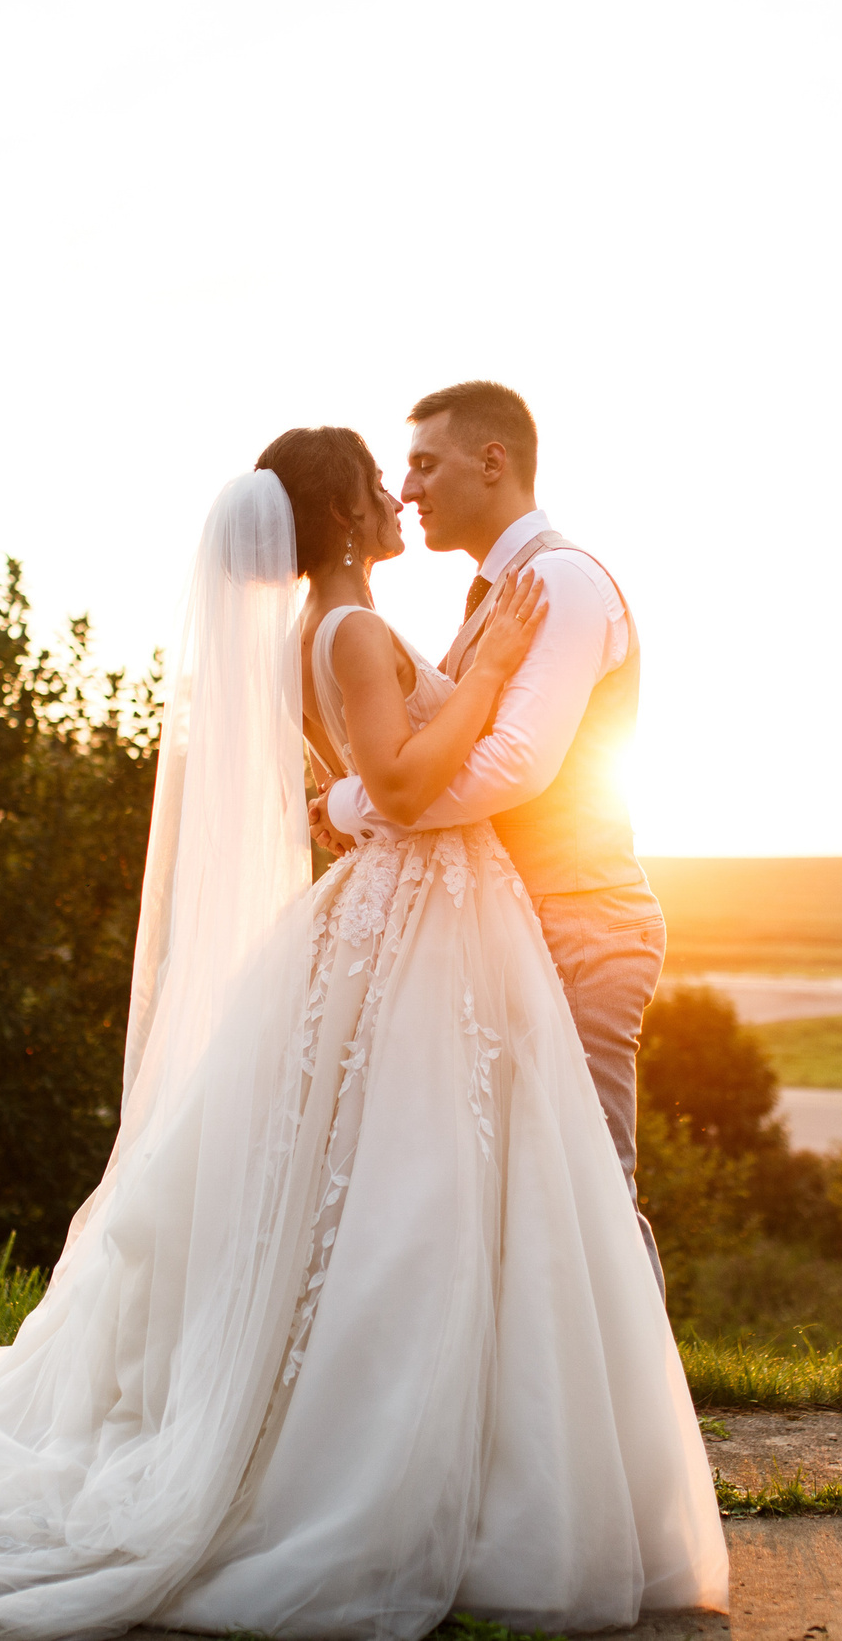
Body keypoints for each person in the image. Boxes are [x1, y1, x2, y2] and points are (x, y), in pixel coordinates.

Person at [0, 428, 728, 1641]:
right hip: (422, 911)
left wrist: (389, 758)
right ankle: (423, 1468)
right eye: (380, 482)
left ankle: (487, 1455)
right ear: (342, 516)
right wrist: (493, 670)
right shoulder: (347, 631)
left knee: (427, 1189)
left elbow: (367, 786)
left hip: (424, 910)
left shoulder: (327, 630)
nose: (399, 495)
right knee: (424, 1193)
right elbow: (404, 786)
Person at [312, 381, 667, 1288]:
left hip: (579, 922)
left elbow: (514, 764)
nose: (408, 488)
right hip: (515, 925)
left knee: (589, 1191)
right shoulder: (498, 597)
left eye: (426, 464)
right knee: (519, 1194)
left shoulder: (561, 582)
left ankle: (641, 1384)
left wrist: (358, 805)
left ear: (493, 461)